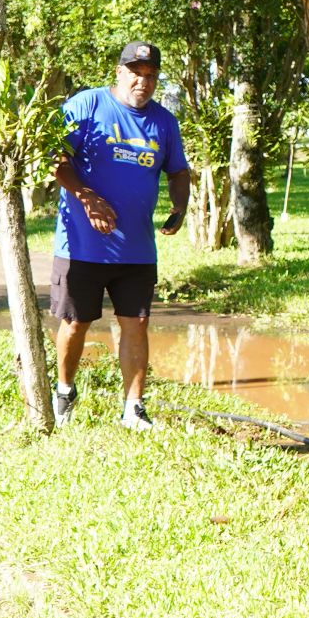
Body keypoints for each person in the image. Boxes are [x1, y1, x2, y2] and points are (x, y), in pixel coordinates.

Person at [50, 42, 192, 429]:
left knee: (136, 323)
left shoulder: (164, 122)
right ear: (119, 72)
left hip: (136, 248)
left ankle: (133, 407)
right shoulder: (87, 105)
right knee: (75, 322)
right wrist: (87, 198)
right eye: (135, 73)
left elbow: (178, 171)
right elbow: (58, 161)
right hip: (81, 245)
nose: (142, 81)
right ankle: (64, 391)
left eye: (150, 75)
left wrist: (179, 208)